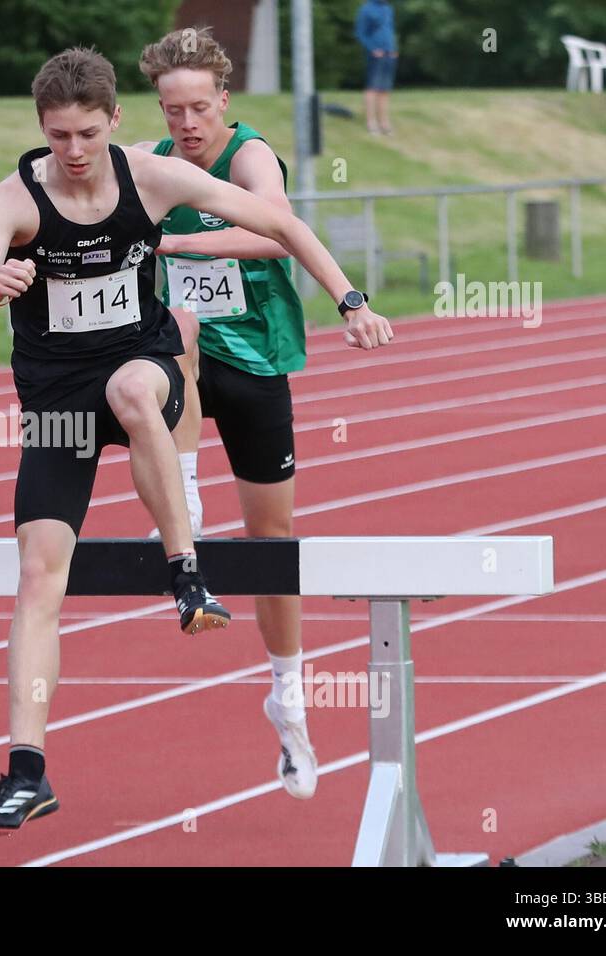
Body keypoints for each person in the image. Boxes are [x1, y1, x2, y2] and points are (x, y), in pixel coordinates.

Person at [0, 47, 392, 838]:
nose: (75, 151)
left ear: (113, 122)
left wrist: (349, 298)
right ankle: (26, 771)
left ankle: (186, 572)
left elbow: (280, 221)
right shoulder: (11, 201)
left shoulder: (151, 178)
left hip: (158, 365)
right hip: (56, 401)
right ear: (41, 130)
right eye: (58, 137)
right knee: (35, 574)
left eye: (87, 133)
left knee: (137, 391)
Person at [134, 26, 394, 801]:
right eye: (171, 110)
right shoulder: (155, 161)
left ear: (224, 101)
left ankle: (288, 692)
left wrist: (349, 300)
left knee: (271, 539)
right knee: (172, 334)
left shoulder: (247, 156)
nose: (185, 125)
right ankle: (181, 492)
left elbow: (274, 234)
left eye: (197, 109)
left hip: (257, 359)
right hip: (187, 353)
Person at [355, 0, 399, 134]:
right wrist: (372, 48)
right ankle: (371, 122)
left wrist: (393, 48)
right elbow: (360, 33)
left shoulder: (388, 9)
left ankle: (384, 123)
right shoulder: (366, 9)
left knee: (385, 90)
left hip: (389, 53)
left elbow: (389, 30)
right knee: (372, 88)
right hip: (376, 54)